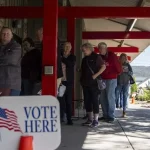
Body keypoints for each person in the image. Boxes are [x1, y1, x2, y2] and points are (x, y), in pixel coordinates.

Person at [80, 43, 106, 127]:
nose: (84, 51)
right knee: (87, 101)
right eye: (83, 50)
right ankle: (90, 119)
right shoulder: (84, 59)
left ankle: (96, 120)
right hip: (85, 83)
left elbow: (103, 67)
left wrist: (96, 75)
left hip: (94, 84)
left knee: (94, 101)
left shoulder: (96, 57)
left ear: (89, 48)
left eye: (85, 50)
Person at [98, 42, 122, 123]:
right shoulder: (99, 57)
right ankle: (105, 115)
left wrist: (114, 73)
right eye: (99, 48)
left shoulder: (112, 55)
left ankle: (111, 116)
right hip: (102, 79)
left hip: (111, 79)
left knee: (110, 97)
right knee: (102, 98)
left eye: (102, 48)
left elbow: (118, 67)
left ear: (106, 48)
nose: (101, 50)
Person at [35, 27, 63, 93]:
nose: (37, 37)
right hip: (53, 73)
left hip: (53, 73)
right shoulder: (50, 41)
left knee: (50, 94)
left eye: (38, 35)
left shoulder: (50, 41)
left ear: (43, 33)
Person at [0, 27, 21, 96]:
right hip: (1, 83)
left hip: (11, 84)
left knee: (11, 106)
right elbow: (5, 59)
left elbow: (11, 60)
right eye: (3, 33)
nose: (5, 35)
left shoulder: (16, 46)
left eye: (7, 33)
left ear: (12, 35)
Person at [60, 42, 76, 125]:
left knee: (68, 101)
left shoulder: (72, 57)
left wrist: (62, 58)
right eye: (65, 46)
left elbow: (70, 64)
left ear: (71, 48)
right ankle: (61, 117)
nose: (67, 48)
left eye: (68, 46)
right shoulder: (59, 55)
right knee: (60, 100)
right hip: (60, 82)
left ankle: (69, 119)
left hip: (68, 82)